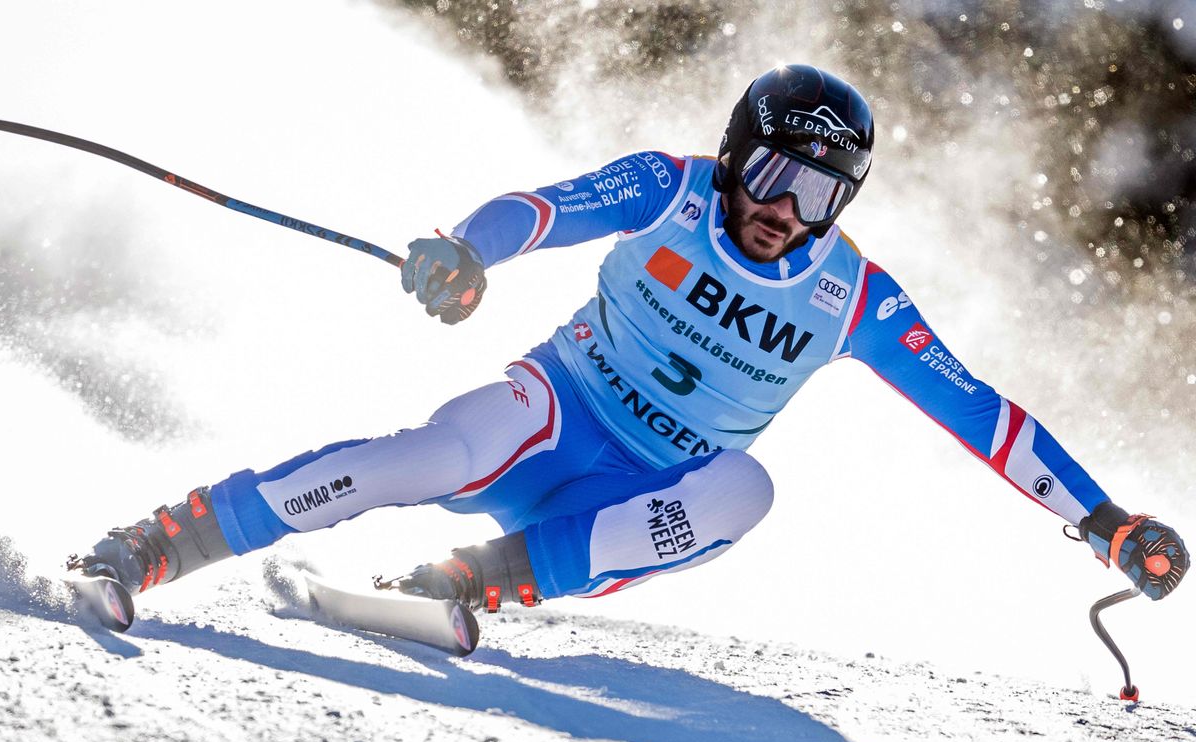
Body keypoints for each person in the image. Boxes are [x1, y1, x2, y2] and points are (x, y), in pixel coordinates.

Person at [72, 64, 1187, 616]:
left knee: (748, 486)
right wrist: (467, 251)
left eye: (818, 193)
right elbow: (541, 208)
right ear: (733, 153)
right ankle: (163, 540)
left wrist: (1101, 519)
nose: (783, 210)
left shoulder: (851, 297)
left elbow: (982, 415)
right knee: (421, 457)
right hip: (552, 411)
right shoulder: (670, 191)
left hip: (643, 498)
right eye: (771, 175)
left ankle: (468, 582)